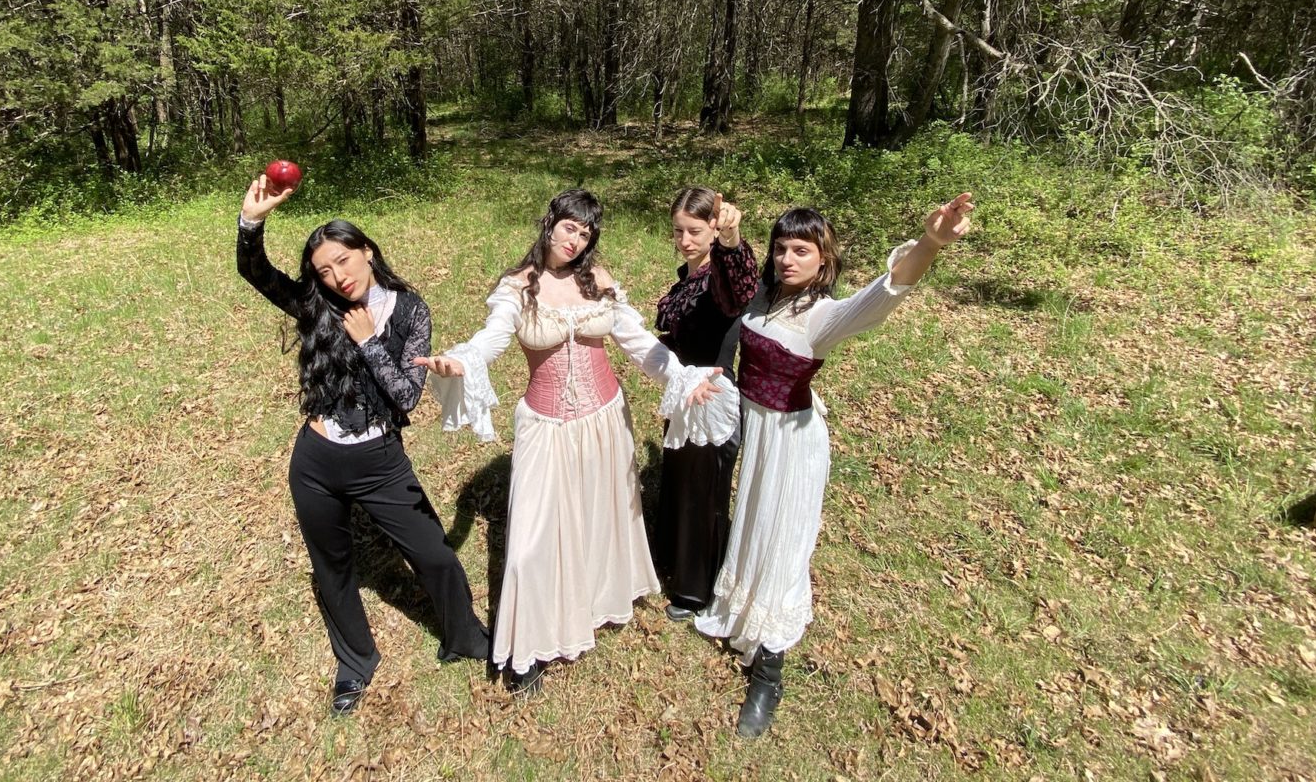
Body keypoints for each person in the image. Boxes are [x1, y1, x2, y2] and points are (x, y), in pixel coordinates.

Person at [417, 188, 725, 693]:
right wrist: (461, 359)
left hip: (605, 418)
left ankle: (594, 601)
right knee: (532, 538)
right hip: (546, 423)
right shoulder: (518, 287)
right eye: (569, 227)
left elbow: (638, 344)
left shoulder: (597, 279)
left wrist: (682, 376)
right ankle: (527, 647)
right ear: (550, 223)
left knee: (598, 512)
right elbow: (492, 338)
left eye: (585, 233)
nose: (575, 240)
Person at [692, 194, 974, 737]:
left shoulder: (822, 316)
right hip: (759, 434)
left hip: (793, 443)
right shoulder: (766, 297)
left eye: (801, 250)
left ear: (824, 258)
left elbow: (885, 292)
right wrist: (729, 236)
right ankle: (742, 612)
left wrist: (931, 242)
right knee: (755, 526)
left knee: (785, 542)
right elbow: (734, 274)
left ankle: (769, 672)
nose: (787, 259)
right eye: (781, 248)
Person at [236, 174, 490, 717]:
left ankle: (465, 636)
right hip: (316, 462)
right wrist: (251, 222)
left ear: (366, 251)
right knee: (332, 567)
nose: (337, 277)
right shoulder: (318, 305)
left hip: (380, 462)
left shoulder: (411, 310)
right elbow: (256, 273)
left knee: (434, 555)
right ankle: (355, 661)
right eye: (324, 272)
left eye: (343, 261)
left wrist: (370, 339)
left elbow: (406, 397)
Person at [651, 187, 759, 621]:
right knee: (680, 479)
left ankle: (696, 590)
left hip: (713, 396)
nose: (684, 240)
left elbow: (742, 288)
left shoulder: (720, 275)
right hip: (685, 391)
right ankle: (673, 561)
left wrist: (732, 240)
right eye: (678, 230)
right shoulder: (690, 275)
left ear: (714, 227)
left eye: (695, 231)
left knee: (704, 493)